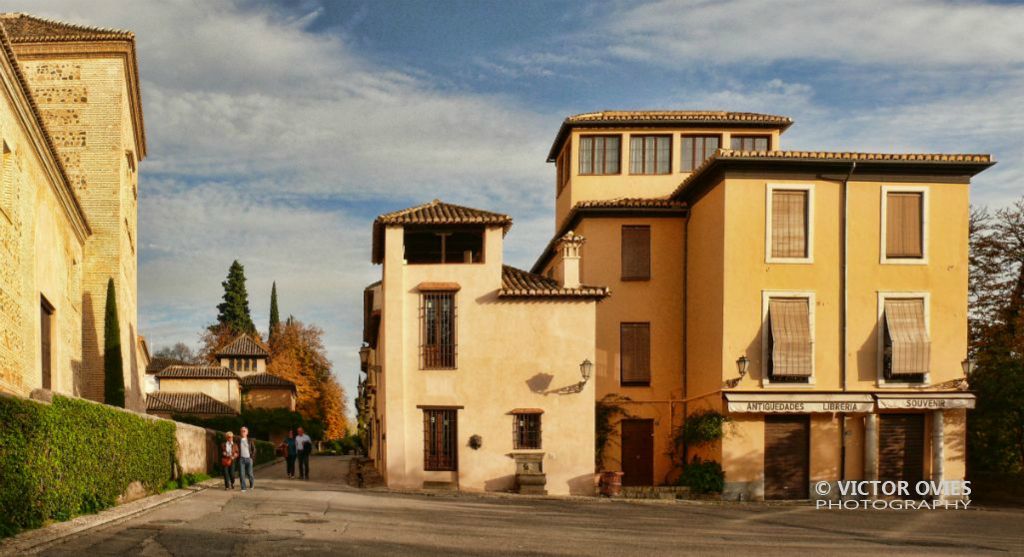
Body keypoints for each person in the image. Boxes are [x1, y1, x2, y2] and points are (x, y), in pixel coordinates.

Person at [238, 426, 257, 492]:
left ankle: (252, 484)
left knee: (250, 473)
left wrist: (251, 457)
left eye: (244, 431)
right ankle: (243, 488)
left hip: (249, 459)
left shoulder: (250, 440)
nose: (243, 432)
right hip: (241, 459)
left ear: (247, 432)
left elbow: (254, 449)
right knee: (241, 474)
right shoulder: (238, 440)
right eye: (241, 431)